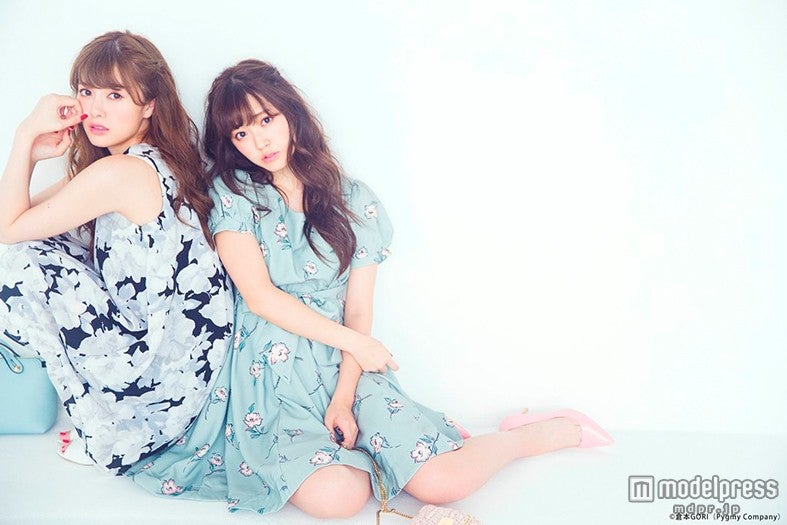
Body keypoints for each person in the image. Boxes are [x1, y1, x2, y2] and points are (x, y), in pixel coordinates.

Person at [127, 59, 613, 517]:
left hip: (344, 364)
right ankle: (368, 460)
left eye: (266, 120)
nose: (258, 141)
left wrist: (344, 395)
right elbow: (260, 297)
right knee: (339, 498)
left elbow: (357, 311)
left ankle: (525, 435)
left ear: (290, 113)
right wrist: (357, 344)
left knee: (442, 483)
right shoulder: (233, 195)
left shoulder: (353, 200)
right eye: (241, 133)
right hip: (268, 373)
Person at [0, 31, 233, 474]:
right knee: (35, 243)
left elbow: (6, 230)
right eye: (86, 92)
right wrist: (33, 154)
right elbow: (20, 219)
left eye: (115, 94)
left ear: (149, 104)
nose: (96, 109)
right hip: (187, 361)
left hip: (161, 369)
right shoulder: (145, 159)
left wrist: (24, 134)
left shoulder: (120, 172)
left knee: (18, 263)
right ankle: (106, 418)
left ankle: (112, 424)